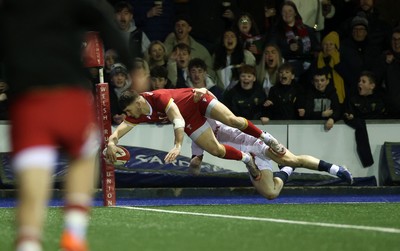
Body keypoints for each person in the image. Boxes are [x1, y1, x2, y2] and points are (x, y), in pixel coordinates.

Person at [0, 0, 131, 250]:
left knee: (33, 176)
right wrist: (132, 65)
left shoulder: (9, 10)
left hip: (28, 104)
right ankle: (74, 229)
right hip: (69, 97)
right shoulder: (71, 4)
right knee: (85, 153)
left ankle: (28, 241)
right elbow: (105, 22)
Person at [105, 87, 288, 182]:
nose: (128, 115)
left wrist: (177, 145)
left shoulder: (158, 97)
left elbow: (177, 120)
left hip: (198, 101)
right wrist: (111, 144)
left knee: (232, 120)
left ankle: (266, 138)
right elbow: (117, 132)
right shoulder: (137, 114)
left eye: (129, 110)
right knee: (216, 150)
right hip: (191, 118)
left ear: (138, 102)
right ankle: (247, 159)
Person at [189, 118, 354, 199]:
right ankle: (286, 172)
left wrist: (264, 138)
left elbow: (237, 121)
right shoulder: (196, 138)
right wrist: (194, 165)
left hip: (257, 143)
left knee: (292, 160)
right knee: (270, 194)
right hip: (249, 159)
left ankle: (337, 169)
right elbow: (194, 172)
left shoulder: (213, 115)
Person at [343, 71, 386, 167]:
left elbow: (380, 115)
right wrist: (350, 116)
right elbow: (347, 113)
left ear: (372, 86)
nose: (360, 83)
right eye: (359, 81)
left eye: (363, 81)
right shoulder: (353, 99)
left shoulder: (379, 99)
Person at [373, 26, 400, 119]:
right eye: (394, 39)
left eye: (399, 39)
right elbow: (375, 80)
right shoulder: (384, 57)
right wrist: (385, 64)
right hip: (389, 111)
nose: (397, 43)